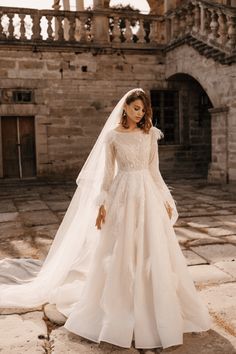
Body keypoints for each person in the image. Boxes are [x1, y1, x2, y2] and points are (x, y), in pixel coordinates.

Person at [0, 88, 212, 350]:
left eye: (143, 110)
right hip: (122, 194)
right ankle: (119, 308)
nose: (140, 113)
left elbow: (154, 171)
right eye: (136, 109)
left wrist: (167, 199)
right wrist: (102, 205)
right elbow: (107, 176)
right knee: (119, 250)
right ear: (125, 108)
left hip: (146, 195)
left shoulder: (149, 135)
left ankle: (153, 308)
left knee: (152, 249)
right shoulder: (112, 137)